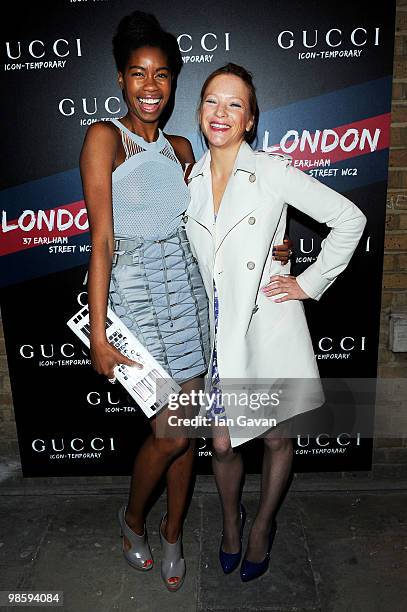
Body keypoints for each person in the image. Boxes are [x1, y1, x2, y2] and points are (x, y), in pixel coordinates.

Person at [80, 11, 294, 591]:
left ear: (173, 82)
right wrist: (100, 333)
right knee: (172, 433)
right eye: (137, 73)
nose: (150, 86)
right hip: (139, 299)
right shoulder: (103, 138)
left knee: (193, 432)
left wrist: (272, 241)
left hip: (189, 296)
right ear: (121, 81)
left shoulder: (180, 147)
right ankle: (132, 522)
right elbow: (101, 240)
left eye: (162, 75)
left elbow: (216, 216)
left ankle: (174, 532)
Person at [185, 63, 367, 582]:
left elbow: (349, 219)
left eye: (234, 104)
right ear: (200, 112)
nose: (221, 113)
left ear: (250, 120)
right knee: (221, 442)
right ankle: (230, 522)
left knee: (275, 440)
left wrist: (307, 282)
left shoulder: (271, 170)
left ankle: (263, 525)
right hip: (220, 333)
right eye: (212, 101)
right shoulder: (189, 181)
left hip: (267, 325)